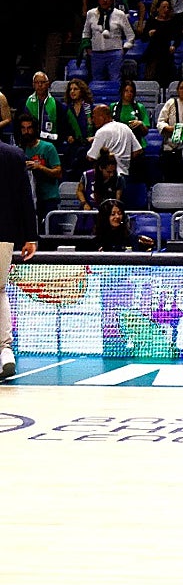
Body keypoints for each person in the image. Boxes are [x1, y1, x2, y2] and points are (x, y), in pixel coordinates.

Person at [1, 134, 38, 380]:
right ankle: (5, 351)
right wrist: (30, 237)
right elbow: (26, 198)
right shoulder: (14, 155)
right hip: (4, 234)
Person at [15, 113, 63, 222]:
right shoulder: (19, 150)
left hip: (48, 198)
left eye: (29, 128)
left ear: (35, 129)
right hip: (28, 198)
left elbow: (58, 172)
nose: (26, 132)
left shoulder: (48, 147)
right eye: (23, 128)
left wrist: (40, 167)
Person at [82, 0, 136, 82]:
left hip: (115, 53)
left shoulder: (120, 14)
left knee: (115, 79)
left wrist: (124, 49)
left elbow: (130, 36)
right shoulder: (91, 13)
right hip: (96, 54)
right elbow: (86, 33)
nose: (105, 0)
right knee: (97, 81)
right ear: (98, 0)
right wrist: (87, 48)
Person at [86, 105, 140, 177]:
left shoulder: (102, 132)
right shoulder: (125, 127)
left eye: (94, 117)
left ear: (102, 117)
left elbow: (91, 157)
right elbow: (138, 151)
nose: (93, 120)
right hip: (124, 175)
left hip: (108, 177)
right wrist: (123, 161)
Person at [24, 72, 61, 146]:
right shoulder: (25, 103)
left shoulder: (57, 105)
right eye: (37, 82)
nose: (40, 85)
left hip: (51, 143)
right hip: (30, 142)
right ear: (33, 85)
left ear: (48, 84)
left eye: (42, 82)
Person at [111, 81, 150, 150]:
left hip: (136, 144)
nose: (129, 93)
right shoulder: (113, 107)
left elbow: (145, 132)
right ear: (122, 92)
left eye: (131, 91)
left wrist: (140, 124)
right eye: (126, 91)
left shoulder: (140, 107)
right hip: (118, 143)